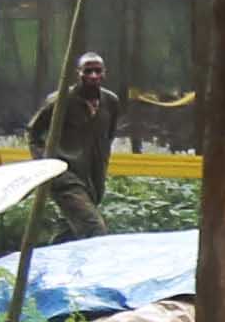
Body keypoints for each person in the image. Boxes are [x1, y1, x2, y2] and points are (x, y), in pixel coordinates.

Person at [22, 51, 164, 247]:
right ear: (78, 73)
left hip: (93, 178)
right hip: (65, 176)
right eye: (88, 71)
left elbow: (108, 135)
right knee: (93, 229)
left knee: (70, 233)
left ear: (104, 73)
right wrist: (46, 164)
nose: (93, 76)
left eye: (98, 71)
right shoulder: (60, 100)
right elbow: (33, 132)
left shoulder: (110, 102)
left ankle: (48, 266)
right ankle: (99, 272)